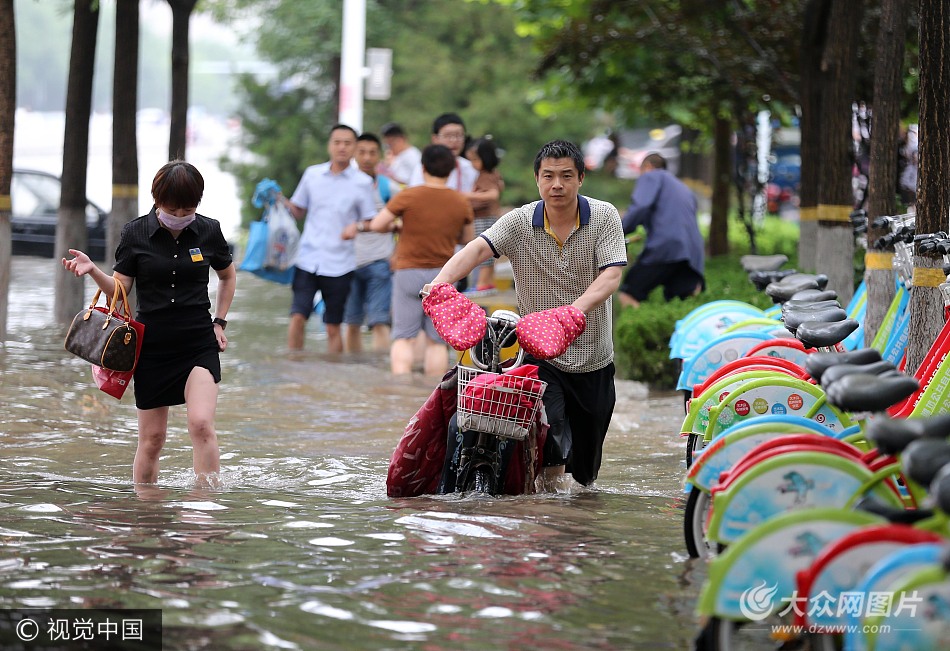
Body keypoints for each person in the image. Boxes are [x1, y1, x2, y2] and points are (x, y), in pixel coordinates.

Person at [423, 139, 628, 490]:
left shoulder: (604, 216)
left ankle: (577, 521)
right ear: (537, 180)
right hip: (541, 354)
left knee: (585, 472)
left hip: (594, 357)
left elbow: (611, 274)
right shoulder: (519, 222)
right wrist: (438, 283)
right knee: (551, 444)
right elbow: (477, 249)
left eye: (566, 176)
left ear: (581, 178)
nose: (557, 185)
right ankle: (544, 519)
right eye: (548, 176)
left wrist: (572, 313)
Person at [62, 160, 236, 486]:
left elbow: (227, 276)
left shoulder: (209, 230)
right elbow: (121, 291)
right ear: (157, 199)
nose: (181, 215)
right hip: (152, 347)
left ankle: (204, 508)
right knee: (153, 440)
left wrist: (219, 322)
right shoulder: (135, 233)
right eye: (174, 208)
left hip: (198, 341)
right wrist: (94, 272)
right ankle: (146, 511)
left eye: (189, 208)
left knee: (201, 424)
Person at [343, 144, 474, 376]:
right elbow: (467, 238)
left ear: (422, 168)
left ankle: (399, 391)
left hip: (407, 272)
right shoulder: (460, 201)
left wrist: (399, 226)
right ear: (451, 170)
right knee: (436, 342)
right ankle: (431, 393)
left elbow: (377, 224)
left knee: (404, 337)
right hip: (443, 276)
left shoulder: (408, 196)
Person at [281, 124, 377, 353]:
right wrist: (279, 201)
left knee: (333, 325)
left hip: (340, 264)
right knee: (297, 317)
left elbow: (372, 221)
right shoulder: (312, 174)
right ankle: (293, 369)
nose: (342, 147)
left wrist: (358, 226)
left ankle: (332, 373)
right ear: (329, 145)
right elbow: (298, 210)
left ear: (354, 147)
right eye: (337, 142)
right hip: (307, 258)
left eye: (347, 143)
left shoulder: (362, 182)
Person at [617, 152, 705, 308]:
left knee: (629, 291)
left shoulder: (651, 176)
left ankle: (636, 326)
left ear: (648, 167)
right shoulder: (682, 187)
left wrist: (618, 231)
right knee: (677, 302)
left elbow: (640, 207)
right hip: (692, 253)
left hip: (667, 247)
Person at [343, 132, 397, 353]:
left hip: (380, 261)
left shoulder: (388, 187)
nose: (366, 157)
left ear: (380, 156)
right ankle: (355, 371)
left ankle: (379, 373)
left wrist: (398, 254)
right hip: (347, 261)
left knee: (380, 321)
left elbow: (403, 223)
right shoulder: (344, 185)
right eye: (362, 152)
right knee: (351, 321)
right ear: (354, 153)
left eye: (372, 153)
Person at [463, 136, 505, 295]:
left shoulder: (486, 175)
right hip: (487, 217)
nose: (472, 164)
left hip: (484, 218)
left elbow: (493, 194)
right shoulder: (493, 173)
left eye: (475, 160)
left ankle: (482, 284)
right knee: (488, 252)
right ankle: (486, 282)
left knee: (484, 252)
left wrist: (468, 196)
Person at [407, 113, 479, 193]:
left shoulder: (471, 168)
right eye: (448, 136)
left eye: (459, 135)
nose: (454, 140)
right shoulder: (423, 169)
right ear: (435, 139)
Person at [380, 122, 421, 187]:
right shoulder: (399, 156)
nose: (389, 148)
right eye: (387, 145)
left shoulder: (412, 156)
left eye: (391, 144)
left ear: (401, 139)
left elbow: (416, 182)